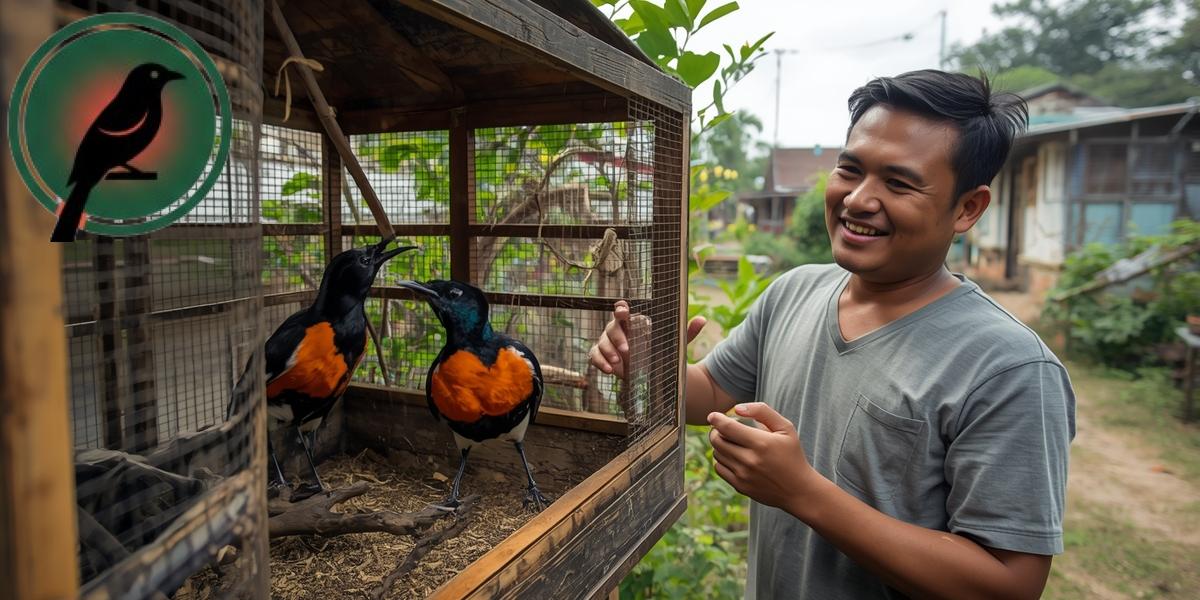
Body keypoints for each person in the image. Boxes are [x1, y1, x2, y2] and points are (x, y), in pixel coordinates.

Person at [590, 69, 1076, 599]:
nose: (859, 199)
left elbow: (1010, 584)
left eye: (899, 183)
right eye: (851, 169)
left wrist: (803, 493)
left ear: (967, 208)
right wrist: (650, 365)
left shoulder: (1008, 368)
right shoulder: (794, 291)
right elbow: (707, 393)